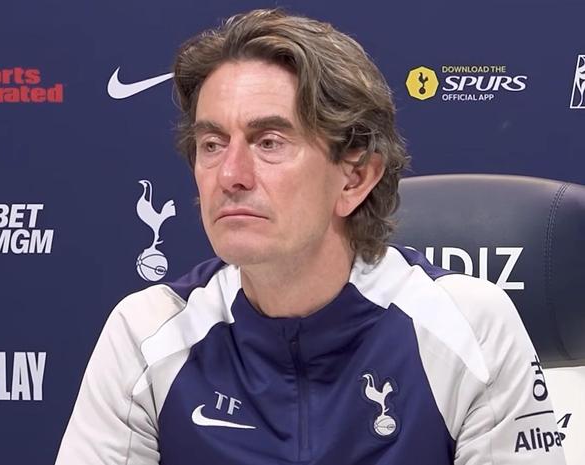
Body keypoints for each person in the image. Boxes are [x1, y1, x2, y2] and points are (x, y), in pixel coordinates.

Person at [55, 9, 566, 465]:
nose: (230, 174)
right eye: (212, 143)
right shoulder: (146, 333)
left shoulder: (470, 327)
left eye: (269, 142)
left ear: (355, 177)